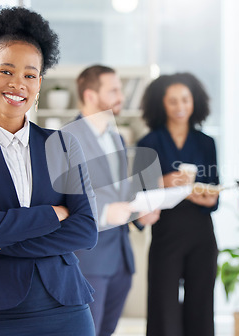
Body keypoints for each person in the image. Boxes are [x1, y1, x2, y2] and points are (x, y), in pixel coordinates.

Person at [0, 7, 98, 336]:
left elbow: (85, 230)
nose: (17, 84)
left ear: (39, 83)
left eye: (29, 75)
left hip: (64, 307)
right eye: (6, 71)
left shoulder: (64, 145)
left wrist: (2, 241)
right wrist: (54, 213)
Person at [64, 65, 159, 336]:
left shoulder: (116, 137)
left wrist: (139, 215)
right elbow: (59, 200)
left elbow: (118, 193)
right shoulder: (65, 138)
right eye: (114, 90)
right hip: (88, 259)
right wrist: (104, 213)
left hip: (120, 258)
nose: (121, 96)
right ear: (91, 95)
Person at [136, 73, 219, 336]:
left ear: (195, 102)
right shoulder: (147, 144)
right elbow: (138, 198)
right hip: (166, 234)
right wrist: (164, 181)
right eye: (172, 101)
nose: (180, 106)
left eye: (185, 99)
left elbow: (215, 194)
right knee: (163, 310)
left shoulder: (207, 143)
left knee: (201, 308)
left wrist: (198, 194)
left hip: (201, 234)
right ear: (162, 104)